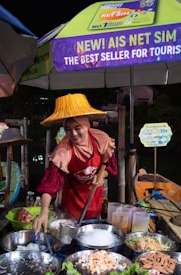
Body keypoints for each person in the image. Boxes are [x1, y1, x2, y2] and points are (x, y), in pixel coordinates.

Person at [33, 93, 118, 234]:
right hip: (71, 202)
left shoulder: (101, 140)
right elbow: (50, 185)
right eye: (68, 129)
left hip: (94, 198)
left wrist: (102, 176)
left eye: (77, 128)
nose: (73, 134)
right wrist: (43, 212)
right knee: (72, 235)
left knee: (93, 234)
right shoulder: (63, 151)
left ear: (86, 125)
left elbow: (111, 166)